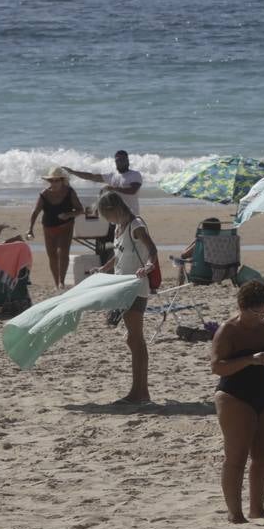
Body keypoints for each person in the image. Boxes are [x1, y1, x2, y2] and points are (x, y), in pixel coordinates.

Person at [212, 280, 264, 523]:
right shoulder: (228, 330)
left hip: (263, 393)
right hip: (234, 396)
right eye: (257, 312)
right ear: (243, 307)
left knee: (263, 455)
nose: (261, 317)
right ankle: (235, 513)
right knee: (236, 457)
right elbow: (217, 367)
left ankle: (258, 509)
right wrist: (250, 359)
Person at [95, 190, 159, 405]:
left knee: (136, 339)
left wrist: (150, 265)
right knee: (132, 339)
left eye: (106, 214)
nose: (106, 219)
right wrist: (105, 267)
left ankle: (140, 393)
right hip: (121, 287)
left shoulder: (136, 225)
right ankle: (139, 392)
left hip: (136, 286)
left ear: (114, 209)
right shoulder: (118, 227)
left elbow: (152, 248)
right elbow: (120, 253)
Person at [26, 167, 85, 290]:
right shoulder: (44, 194)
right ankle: (56, 282)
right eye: (51, 181)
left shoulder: (69, 192)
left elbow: (80, 210)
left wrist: (68, 215)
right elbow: (35, 211)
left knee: (63, 253)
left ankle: (61, 282)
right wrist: (30, 228)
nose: (54, 183)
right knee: (52, 255)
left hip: (66, 226)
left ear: (62, 180)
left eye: (56, 181)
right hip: (48, 227)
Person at [67, 150, 144, 216]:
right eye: (117, 160)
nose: (120, 162)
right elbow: (91, 176)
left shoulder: (135, 174)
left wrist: (113, 188)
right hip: (115, 216)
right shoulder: (112, 176)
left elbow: (133, 191)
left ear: (127, 160)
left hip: (131, 215)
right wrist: (73, 172)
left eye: (122, 159)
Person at [171, 217, 223, 286]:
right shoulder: (223, 241)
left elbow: (184, 255)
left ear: (204, 229)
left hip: (202, 274)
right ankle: (219, 283)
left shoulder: (202, 241)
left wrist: (195, 240)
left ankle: (180, 284)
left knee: (182, 259)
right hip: (220, 273)